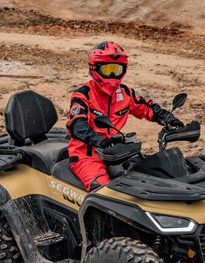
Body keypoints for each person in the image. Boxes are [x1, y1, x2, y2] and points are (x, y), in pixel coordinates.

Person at [66, 41, 183, 191]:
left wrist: (169, 119)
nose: (113, 75)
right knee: (104, 192)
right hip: (86, 155)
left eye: (117, 70)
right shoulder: (83, 95)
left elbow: (147, 107)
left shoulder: (125, 93)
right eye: (108, 70)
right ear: (94, 68)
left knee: (145, 177)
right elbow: (77, 126)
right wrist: (101, 141)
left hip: (116, 152)